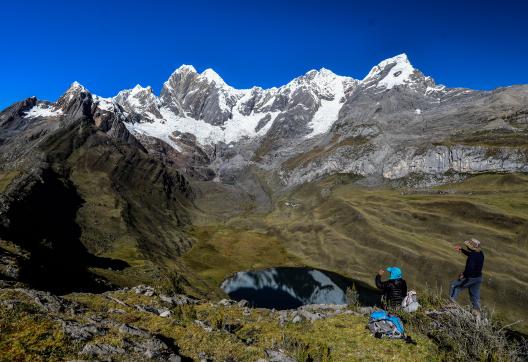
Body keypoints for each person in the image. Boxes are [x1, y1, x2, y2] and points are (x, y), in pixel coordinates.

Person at [449, 238, 484, 315]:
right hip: (479, 278)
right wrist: (462, 250)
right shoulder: (480, 253)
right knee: (474, 294)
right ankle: (477, 311)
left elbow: (469, 268)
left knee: (455, 286)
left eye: (467, 245)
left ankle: (452, 304)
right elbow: (471, 254)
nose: (467, 246)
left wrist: (463, 275)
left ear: (470, 247)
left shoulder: (472, 257)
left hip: (470, 278)